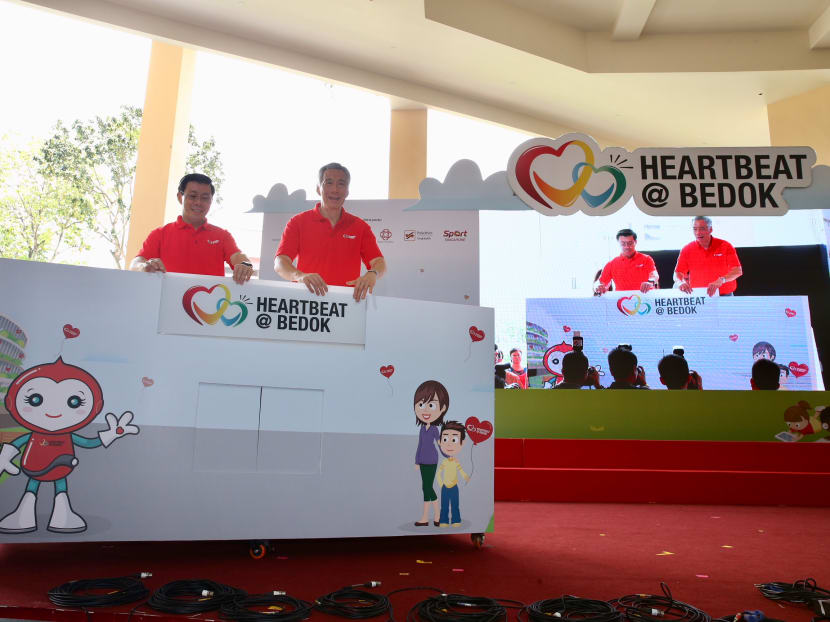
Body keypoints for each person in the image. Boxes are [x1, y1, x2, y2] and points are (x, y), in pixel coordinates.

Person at [274, 163, 387, 302]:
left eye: (341, 184)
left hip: (346, 305)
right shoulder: (297, 222)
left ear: (347, 191)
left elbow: (379, 262)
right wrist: (299, 276)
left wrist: (372, 274)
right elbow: (280, 262)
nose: (335, 189)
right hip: (305, 304)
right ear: (318, 188)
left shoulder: (360, 227)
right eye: (329, 183)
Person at [130, 173, 254, 285]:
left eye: (205, 198)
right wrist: (143, 266)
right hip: (166, 305)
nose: (198, 202)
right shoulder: (160, 234)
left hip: (211, 308)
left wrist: (245, 265)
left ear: (211, 201)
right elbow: (135, 264)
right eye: (193, 196)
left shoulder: (222, 236)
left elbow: (239, 258)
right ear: (180, 197)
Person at [411, 380, 449, 527]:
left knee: (427, 487)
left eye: (431, 405)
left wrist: (446, 455)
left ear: (442, 409)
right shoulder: (422, 429)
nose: (425, 410)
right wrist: (416, 461)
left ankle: (437, 515)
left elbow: (439, 444)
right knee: (425, 487)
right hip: (422, 460)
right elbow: (420, 445)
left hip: (432, 460)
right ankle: (426, 518)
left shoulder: (434, 429)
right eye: (421, 404)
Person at [674, 216, 742, 297]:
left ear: (711, 229)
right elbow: (678, 273)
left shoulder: (725, 246)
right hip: (699, 297)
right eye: (695, 229)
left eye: (702, 229)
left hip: (725, 296)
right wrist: (680, 282)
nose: (698, 233)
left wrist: (722, 280)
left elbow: (737, 271)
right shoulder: (687, 249)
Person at [595, 229, 659, 295]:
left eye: (630, 243)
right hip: (622, 300)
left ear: (635, 242)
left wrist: (650, 282)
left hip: (646, 298)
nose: (627, 247)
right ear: (618, 243)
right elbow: (599, 282)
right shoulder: (612, 263)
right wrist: (597, 286)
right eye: (623, 244)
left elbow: (654, 275)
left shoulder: (646, 259)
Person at [435, 420, 470, 527]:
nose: (449, 443)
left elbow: (461, 470)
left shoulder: (456, 462)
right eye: (445, 439)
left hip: (454, 487)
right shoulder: (445, 462)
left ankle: (456, 520)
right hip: (445, 487)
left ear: (462, 442)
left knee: (455, 505)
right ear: (440, 441)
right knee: (444, 505)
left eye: (454, 439)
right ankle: (444, 521)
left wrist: (465, 477)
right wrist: (441, 484)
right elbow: (438, 474)